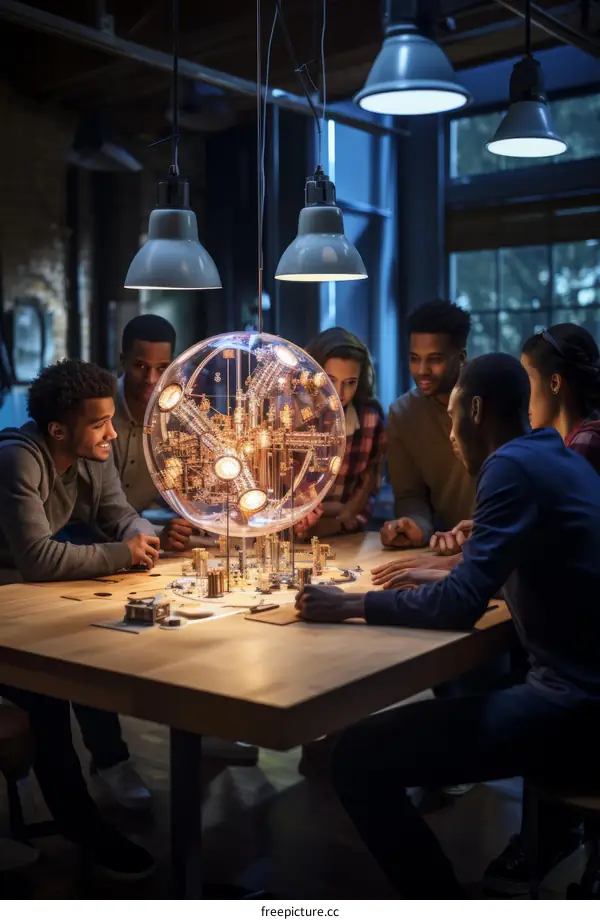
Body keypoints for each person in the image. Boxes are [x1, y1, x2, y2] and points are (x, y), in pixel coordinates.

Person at [295, 353, 600, 899]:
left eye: (455, 416)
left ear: (476, 410)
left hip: (575, 708)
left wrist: (349, 604)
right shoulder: (556, 455)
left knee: (356, 756)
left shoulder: (509, 466)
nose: (452, 435)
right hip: (583, 690)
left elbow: (458, 606)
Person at [0, 359, 157, 878]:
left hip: (28, 601)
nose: (113, 432)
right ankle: (81, 824)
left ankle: (109, 763)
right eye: (100, 423)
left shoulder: (94, 452)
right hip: (8, 603)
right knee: (47, 698)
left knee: (89, 660)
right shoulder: (18, 459)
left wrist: (139, 534)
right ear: (58, 430)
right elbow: (38, 559)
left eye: (111, 419)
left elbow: (117, 513)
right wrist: (123, 552)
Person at [381, 299, 475, 551]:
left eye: (434, 359)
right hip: (448, 548)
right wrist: (417, 527)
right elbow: (409, 494)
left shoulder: (493, 399)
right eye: (414, 358)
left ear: (461, 357)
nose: (422, 370)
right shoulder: (403, 414)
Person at [295, 327, 386, 539]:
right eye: (330, 379)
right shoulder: (288, 416)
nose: (339, 393)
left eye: (350, 383)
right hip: (288, 536)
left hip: (346, 537)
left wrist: (341, 520)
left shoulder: (370, 420)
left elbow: (368, 490)